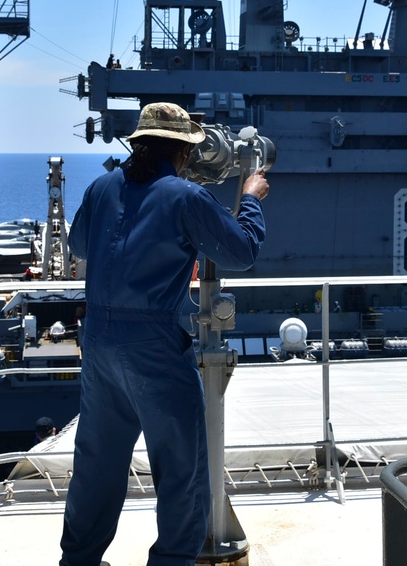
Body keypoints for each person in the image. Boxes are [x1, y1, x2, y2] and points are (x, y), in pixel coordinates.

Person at [59, 102, 269, 566]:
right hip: (153, 346)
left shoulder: (101, 187)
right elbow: (240, 251)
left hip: (98, 342)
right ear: (182, 151)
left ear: (138, 144)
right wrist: (250, 196)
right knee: (181, 470)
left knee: (96, 462)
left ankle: (78, 560)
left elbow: (78, 245)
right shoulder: (185, 197)